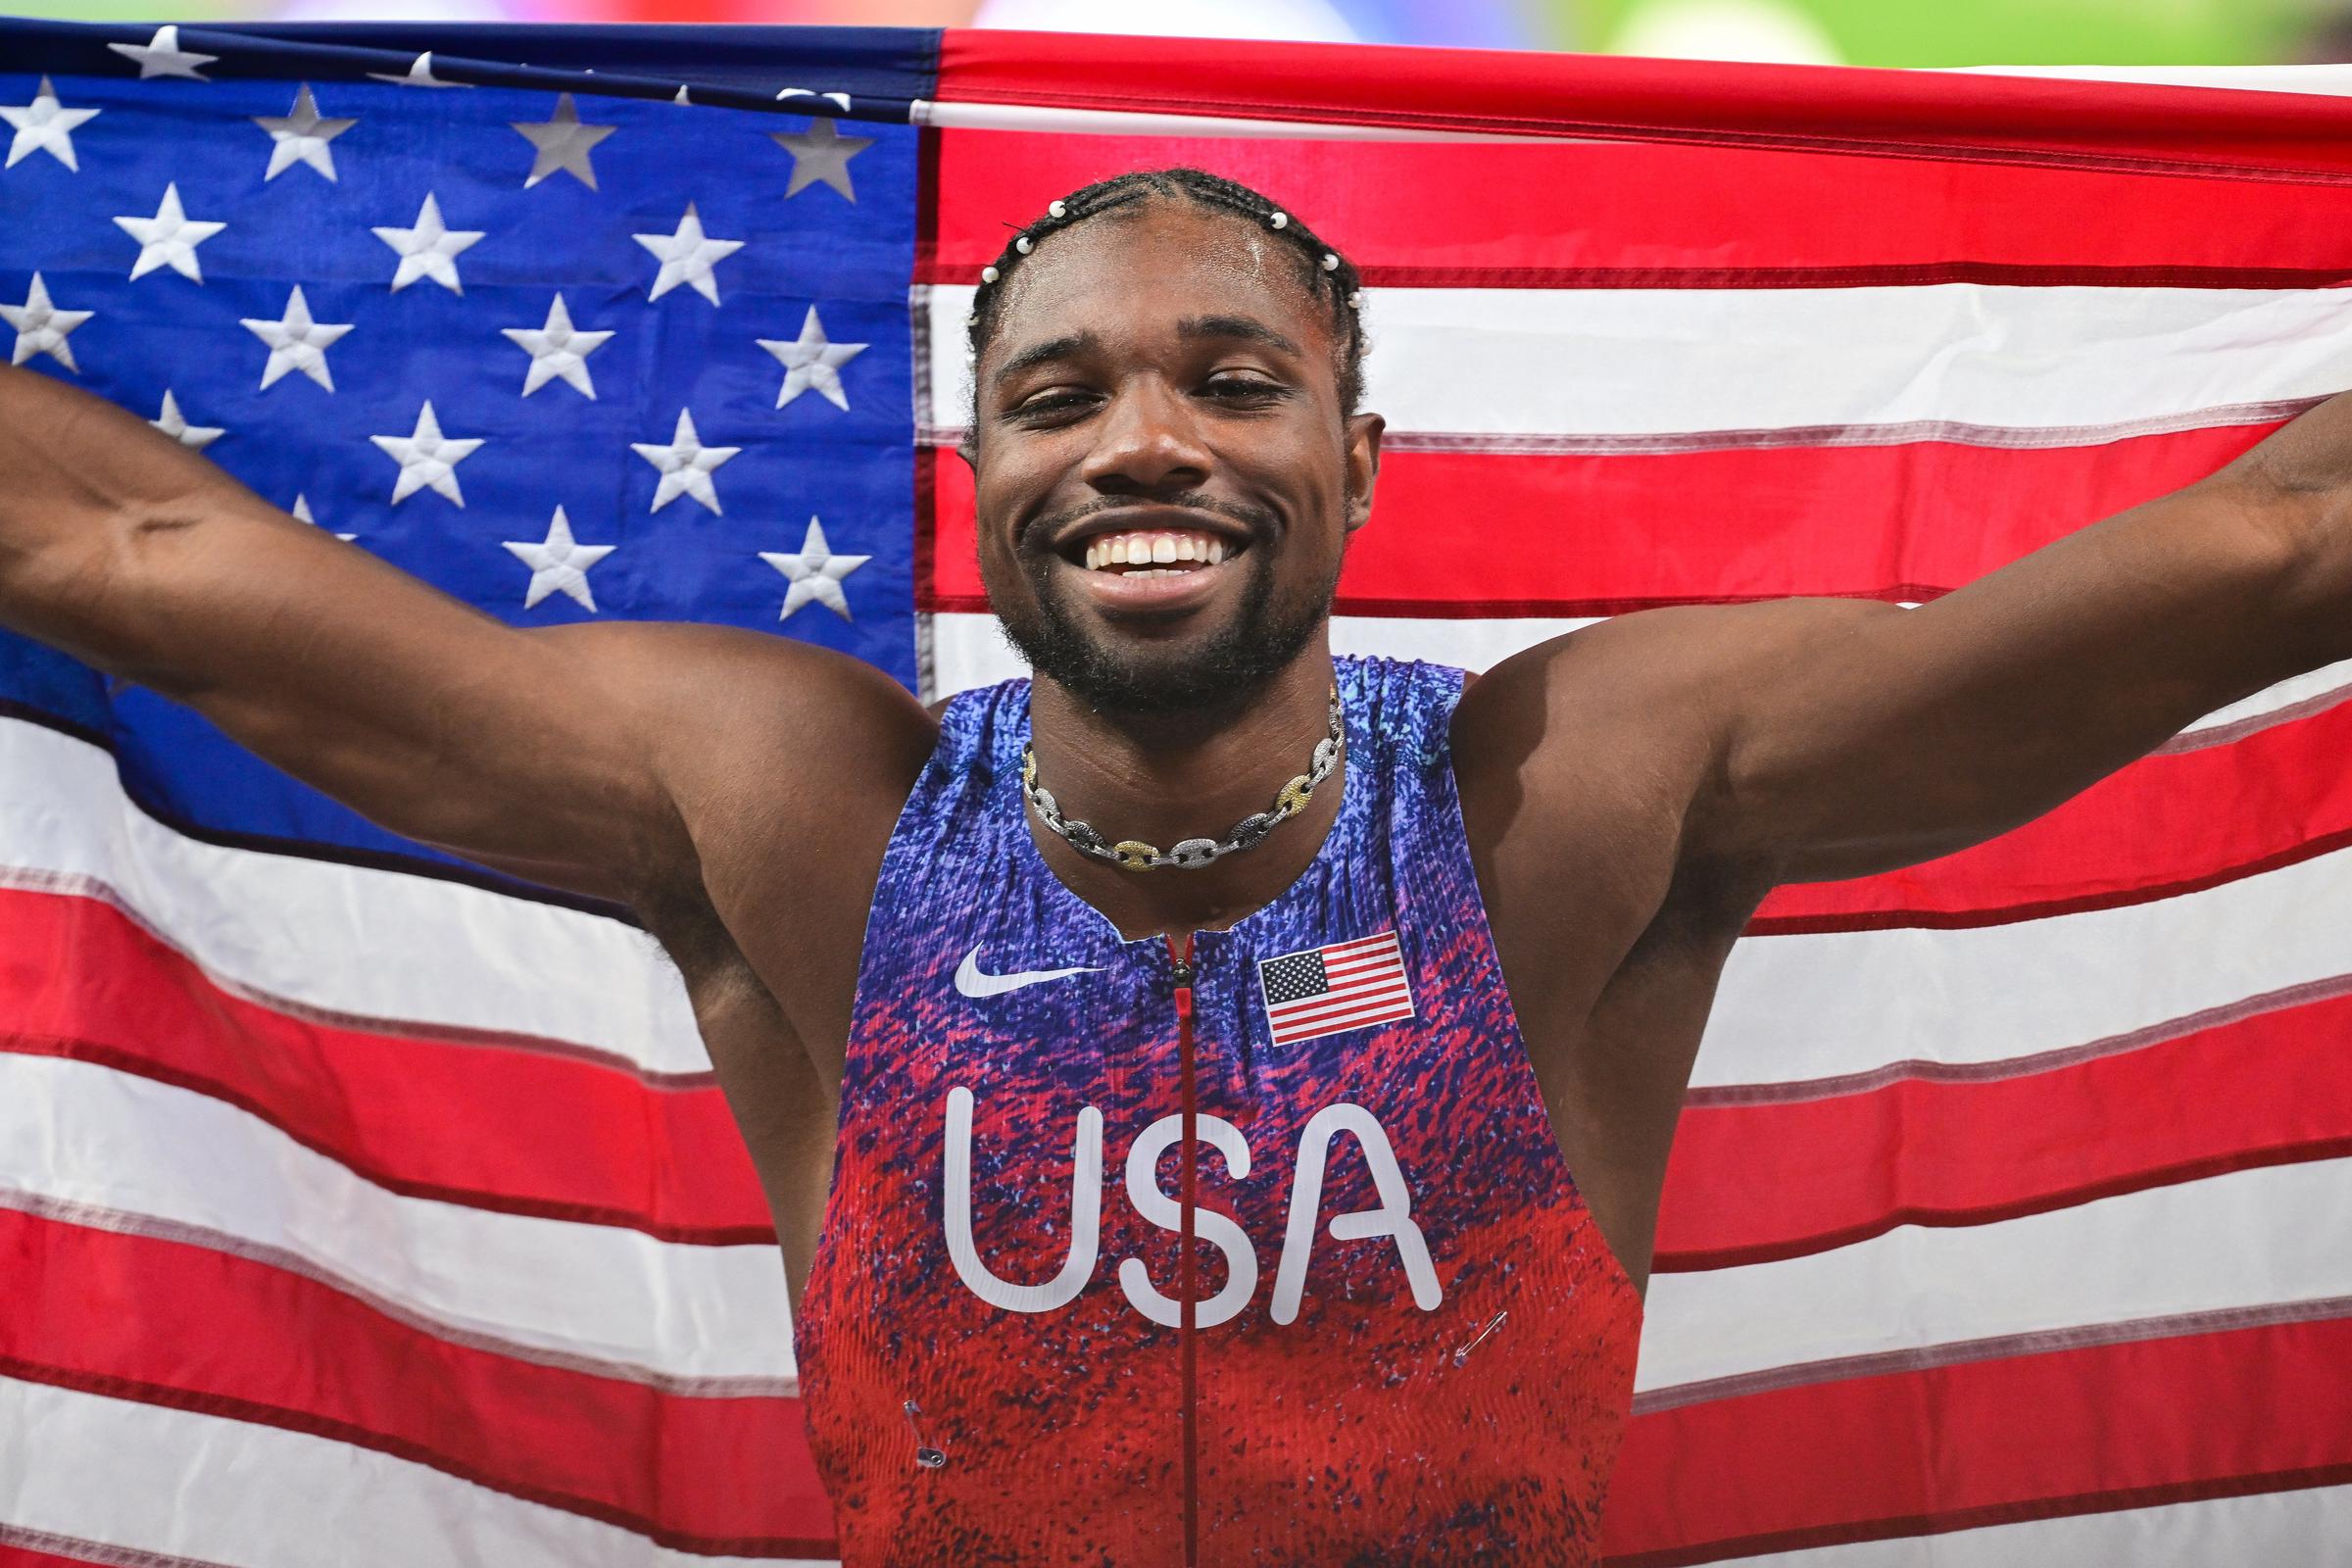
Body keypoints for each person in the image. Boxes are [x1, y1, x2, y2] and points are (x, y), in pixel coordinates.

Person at [1, 165, 2345, 1565]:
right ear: (981, 466)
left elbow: (2275, 546)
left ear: (1359, 457)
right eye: (1060, 395)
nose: (1146, 437)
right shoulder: (796, 807)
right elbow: (132, 543)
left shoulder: (1576, 794)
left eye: (1234, 381)